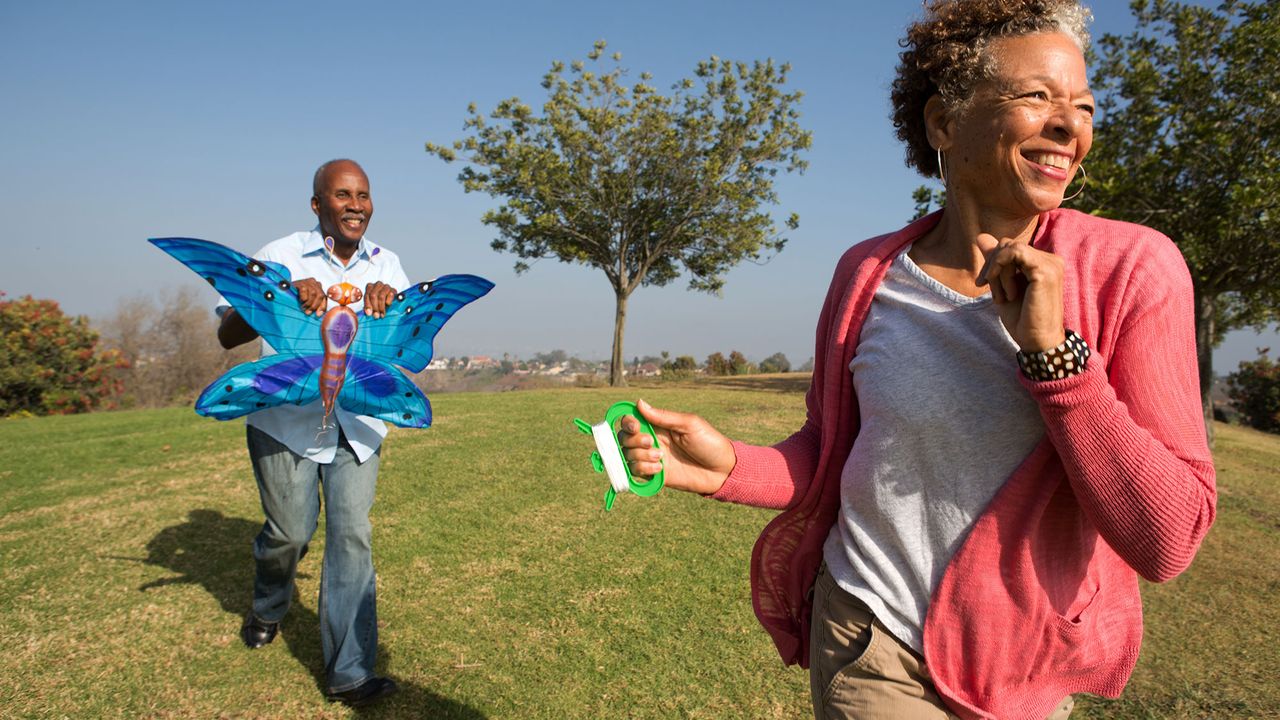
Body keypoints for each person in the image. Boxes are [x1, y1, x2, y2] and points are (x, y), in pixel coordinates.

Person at [619, 2, 1216, 718]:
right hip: (867, 633)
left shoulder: (1135, 271)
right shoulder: (866, 272)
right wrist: (730, 467)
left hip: (1025, 666)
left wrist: (1058, 359)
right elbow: (836, 447)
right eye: (1036, 97)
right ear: (943, 122)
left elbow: (1168, 540)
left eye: (1083, 106)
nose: (1069, 126)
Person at [216, 159, 408, 707]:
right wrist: (269, 297)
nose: (356, 205)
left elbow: (403, 354)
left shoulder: (388, 264)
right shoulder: (278, 255)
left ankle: (350, 670)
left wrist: (390, 309)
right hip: (285, 422)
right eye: (343, 194)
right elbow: (227, 334)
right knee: (290, 534)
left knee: (351, 537)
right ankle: (269, 603)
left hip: (358, 424)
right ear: (317, 203)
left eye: (364, 195)